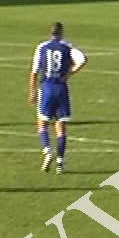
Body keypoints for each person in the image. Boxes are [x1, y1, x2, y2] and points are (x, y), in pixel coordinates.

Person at [28, 22, 87, 174]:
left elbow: (34, 72)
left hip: (46, 87)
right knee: (61, 126)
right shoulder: (67, 46)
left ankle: (47, 151)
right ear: (61, 32)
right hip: (61, 88)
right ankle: (60, 163)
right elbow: (83, 59)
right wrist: (69, 73)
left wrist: (32, 92)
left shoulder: (42, 47)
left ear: (51, 33)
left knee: (42, 124)